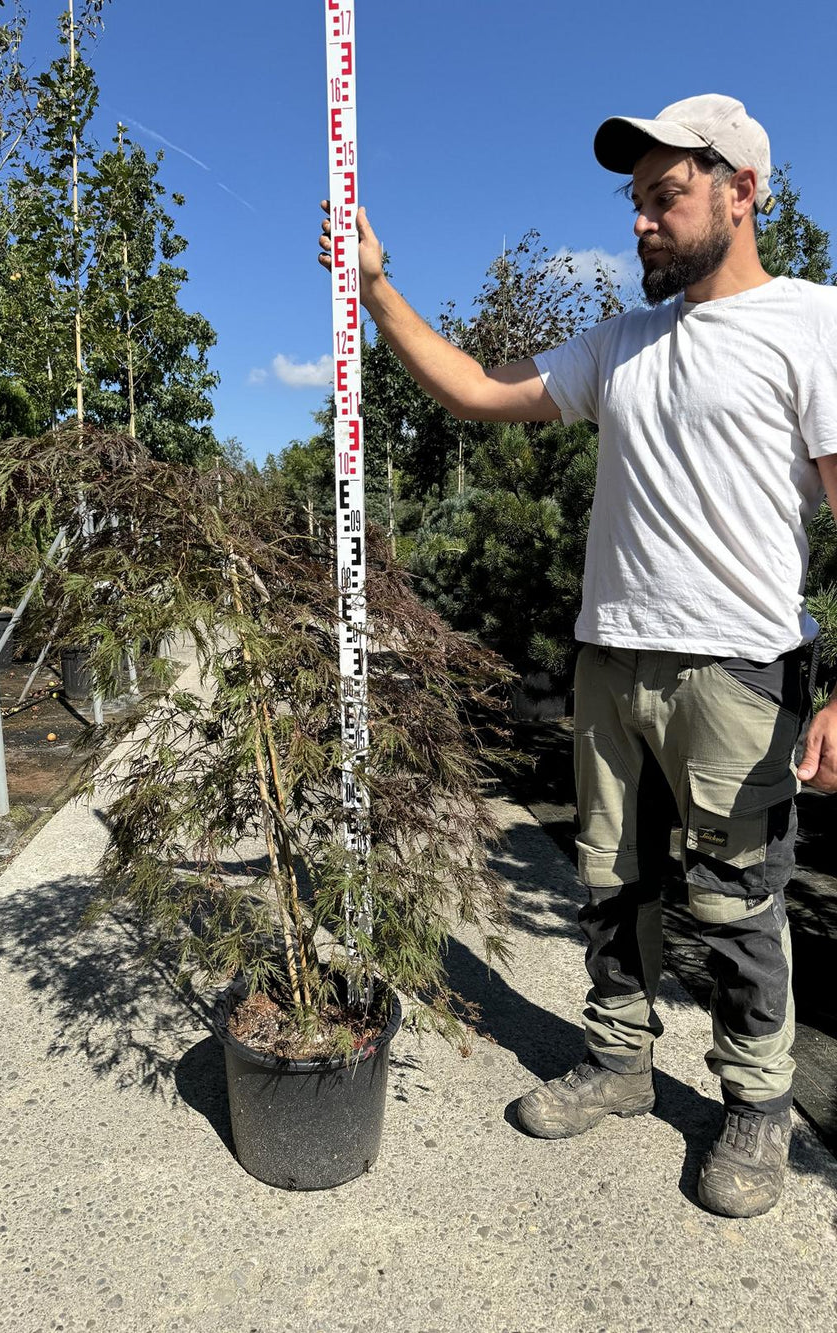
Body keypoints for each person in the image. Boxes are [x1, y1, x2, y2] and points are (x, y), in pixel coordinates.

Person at [317, 93, 837, 1219]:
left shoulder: (812, 323)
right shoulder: (620, 341)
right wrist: (374, 287)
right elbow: (475, 390)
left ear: (742, 192)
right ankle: (618, 1059)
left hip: (737, 671)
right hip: (609, 660)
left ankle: (753, 1099)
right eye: (636, 202)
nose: (643, 221)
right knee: (611, 880)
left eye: (667, 196)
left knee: (736, 899)